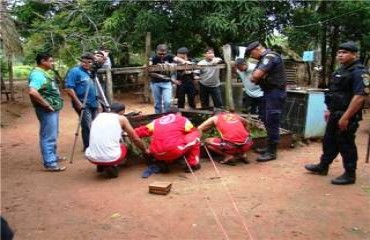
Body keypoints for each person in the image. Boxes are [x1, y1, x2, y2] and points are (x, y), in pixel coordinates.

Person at [305, 41, 369, 185]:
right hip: (335, 113)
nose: (340, 55)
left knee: (346, 144)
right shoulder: (340, 70)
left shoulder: (359, 72)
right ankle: (323, 166)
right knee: (329, 141)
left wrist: (346, 117)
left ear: (354, 55)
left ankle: (350, 174)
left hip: (347, 115)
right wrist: (329, 109)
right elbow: (334, 92)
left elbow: (360, 97)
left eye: (344, 52)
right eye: (339, 52)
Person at [246, 41, 287, 162]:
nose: (251, 56)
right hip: (268, 92)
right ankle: (269, 147)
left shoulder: (270, 57)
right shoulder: (264, 58)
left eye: (251, 53)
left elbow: (256, 76)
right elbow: (254, 77)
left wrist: (257, 76)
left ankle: (272, 152)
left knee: (272, 120)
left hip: (275, 92)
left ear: (257, 49)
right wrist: (256, 76)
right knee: (265, 118)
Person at [85, 103, 148, 178]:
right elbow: (135, 139)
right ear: (122, 112)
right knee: (124, 146)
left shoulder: (99, 116)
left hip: (91, 157)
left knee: (105, 142)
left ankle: (101, 164)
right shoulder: (121, 118)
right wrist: (144, 150)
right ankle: (114, 164)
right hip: (111, 158)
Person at [28, 52, 66, 171]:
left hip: (51, 109)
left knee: (53, 133)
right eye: (51, 60)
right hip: (46, 110)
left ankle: (52, 156)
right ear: (43, 61)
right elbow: (32, 91)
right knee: (48, 136)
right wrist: (47, 104)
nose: (52, 63)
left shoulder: (44, 73)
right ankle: (50, 163)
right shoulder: (38, 75)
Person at [134, 107, 201, 173]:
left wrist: (126, 131)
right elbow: (193, 131)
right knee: (196, 136)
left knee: (166, 142)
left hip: (156, 153)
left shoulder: (156, 121)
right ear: (178, 113)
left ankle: (164, 162)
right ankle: (193, 164)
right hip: (173, 150)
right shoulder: (182, 119)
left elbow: (139, 132)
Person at [65, 53, 99, 151]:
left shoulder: (90, 72)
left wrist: (99, 103)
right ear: (81, 61)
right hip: (82, 103)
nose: (86, 64)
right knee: (87, 125)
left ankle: (95, 144)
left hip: (94, 103)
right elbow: (69, 88)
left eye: (89, 62)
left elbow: (95, 88)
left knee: (95, 124)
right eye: (84, 61)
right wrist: (77, 103)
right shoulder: (75, 71)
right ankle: (88, 147)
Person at [149, 44, 189, 113]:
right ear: (156, 51)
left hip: (166, 82)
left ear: (166, 52)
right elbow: (149, 63)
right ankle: (157, 116)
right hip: (155, 83)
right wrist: (148, 64)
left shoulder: (170, 56)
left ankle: (166, 116)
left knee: (167, 102)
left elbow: (177, 58)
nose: (162, 55)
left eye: (163, 54)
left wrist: (184, 61)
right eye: (160, 54)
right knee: (157, 103)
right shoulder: (153, 57)